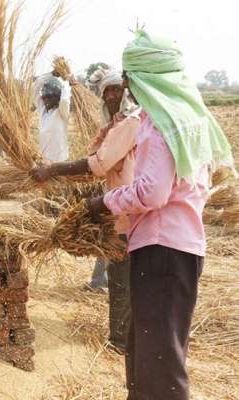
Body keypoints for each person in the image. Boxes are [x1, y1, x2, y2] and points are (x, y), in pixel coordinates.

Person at [87, 30, 233, 399]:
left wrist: (104, 203)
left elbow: (152, 192)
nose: (124, 83)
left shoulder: (162, 124)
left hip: (162, 250)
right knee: (145, 352)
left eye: (128, 75)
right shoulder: (188, 119)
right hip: (175, 247)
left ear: (143, 78)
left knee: (159, 363)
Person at [31, 69, 137, 351]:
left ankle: (120, 341)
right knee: (124, 276)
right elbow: (98, 162)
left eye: (117, 89)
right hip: (122, 208)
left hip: (131, 211)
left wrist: (53, 170)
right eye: (107, 92)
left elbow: (98, 164)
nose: (113, 95)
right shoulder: (113, 125)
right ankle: (128, 337)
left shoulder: (130, 123)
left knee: (122, 279)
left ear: (127, 90)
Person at [33, 73, 72, 163]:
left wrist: (66, 81)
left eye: (50, 96)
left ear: (57, 98)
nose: (46, 99)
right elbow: (35, 87)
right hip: (45, 162)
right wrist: (51, 74)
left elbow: (65, 100)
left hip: (60, 162)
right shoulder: (42, 110)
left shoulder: (62, 112)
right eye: (44, 96)